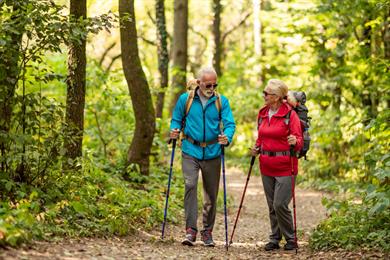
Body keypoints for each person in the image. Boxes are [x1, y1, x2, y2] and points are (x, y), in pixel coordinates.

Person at [170, 67, 236, 247]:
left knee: (211, 195)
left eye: (215, 84)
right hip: (191, 150)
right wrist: (174, 130)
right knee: (190, 185)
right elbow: (176, 119)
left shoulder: (221, 101)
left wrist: (227, 137)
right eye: (208, 84)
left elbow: (230, 123)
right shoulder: (186, 100)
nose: (212, 87)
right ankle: (191, 230)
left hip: (213, 152)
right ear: (199, 83)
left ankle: (207, 231)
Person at [251, 79, 303, 251]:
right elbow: (262, 136)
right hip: (266, 165)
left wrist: (295, 140)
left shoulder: (290, 114)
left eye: (267, 93)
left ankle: (291, 238)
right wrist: (256, 147)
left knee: (279, 204)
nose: (264, 96)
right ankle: (274, 238)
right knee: (271, 205)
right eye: (264, 93)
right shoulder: (263, 113)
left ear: (277, 97)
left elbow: (299, 140)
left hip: (286, 166)